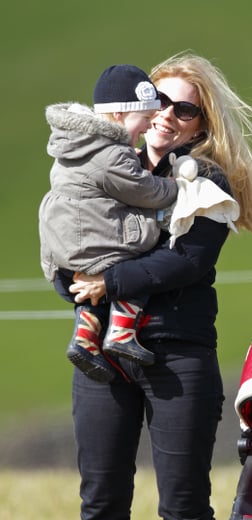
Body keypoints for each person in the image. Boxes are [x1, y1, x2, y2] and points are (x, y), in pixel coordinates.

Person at [64, 52, 252, 520]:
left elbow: (188, 264)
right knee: (100, 498)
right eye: (159, 101)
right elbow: (67, 245)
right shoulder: (104, 167)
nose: (168, 116)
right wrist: (75, 281)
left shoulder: (209, 181)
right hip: (100, 352)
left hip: (177, 354)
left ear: (204, 122)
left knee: (184, 501)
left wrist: (109, 281)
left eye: (185, 108)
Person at [39, 64, 179, 381]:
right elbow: (145, 191)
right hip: (92, 239)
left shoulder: (77, 143)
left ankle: (86, 338)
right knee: (135, 265)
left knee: (95, 288)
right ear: (118, 115)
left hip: (64, 241)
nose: (147, 127)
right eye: (144, 119)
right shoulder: (112, 154)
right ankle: (120, 334)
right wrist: (176, 187)